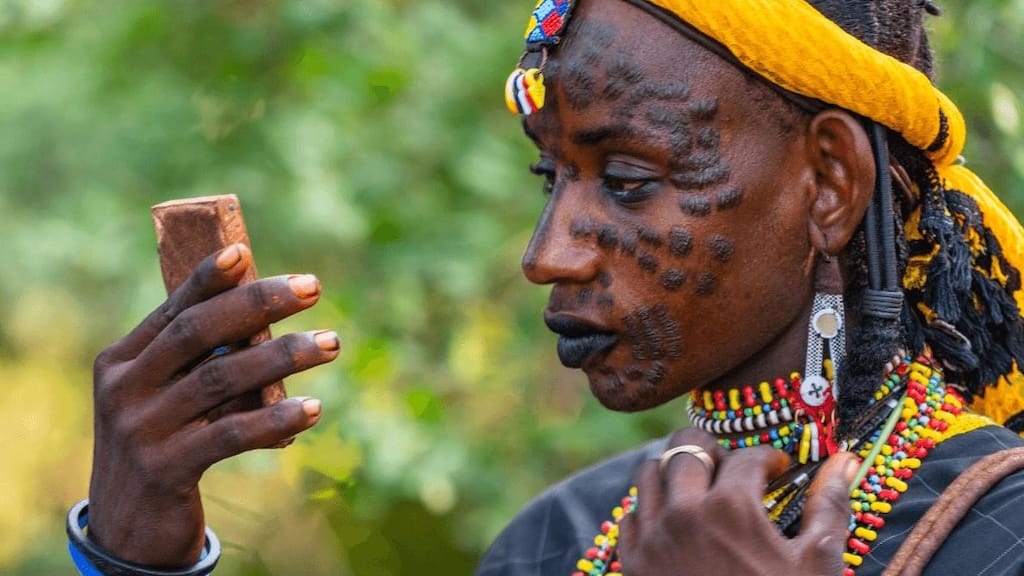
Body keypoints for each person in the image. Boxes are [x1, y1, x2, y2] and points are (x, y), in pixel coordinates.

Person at [67, 0, 1024, 575]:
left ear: (828, 185)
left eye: (631, 181)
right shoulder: (555, 540)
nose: (548, 252)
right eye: (550, 177)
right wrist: (137, 547)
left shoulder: (1000, 531)